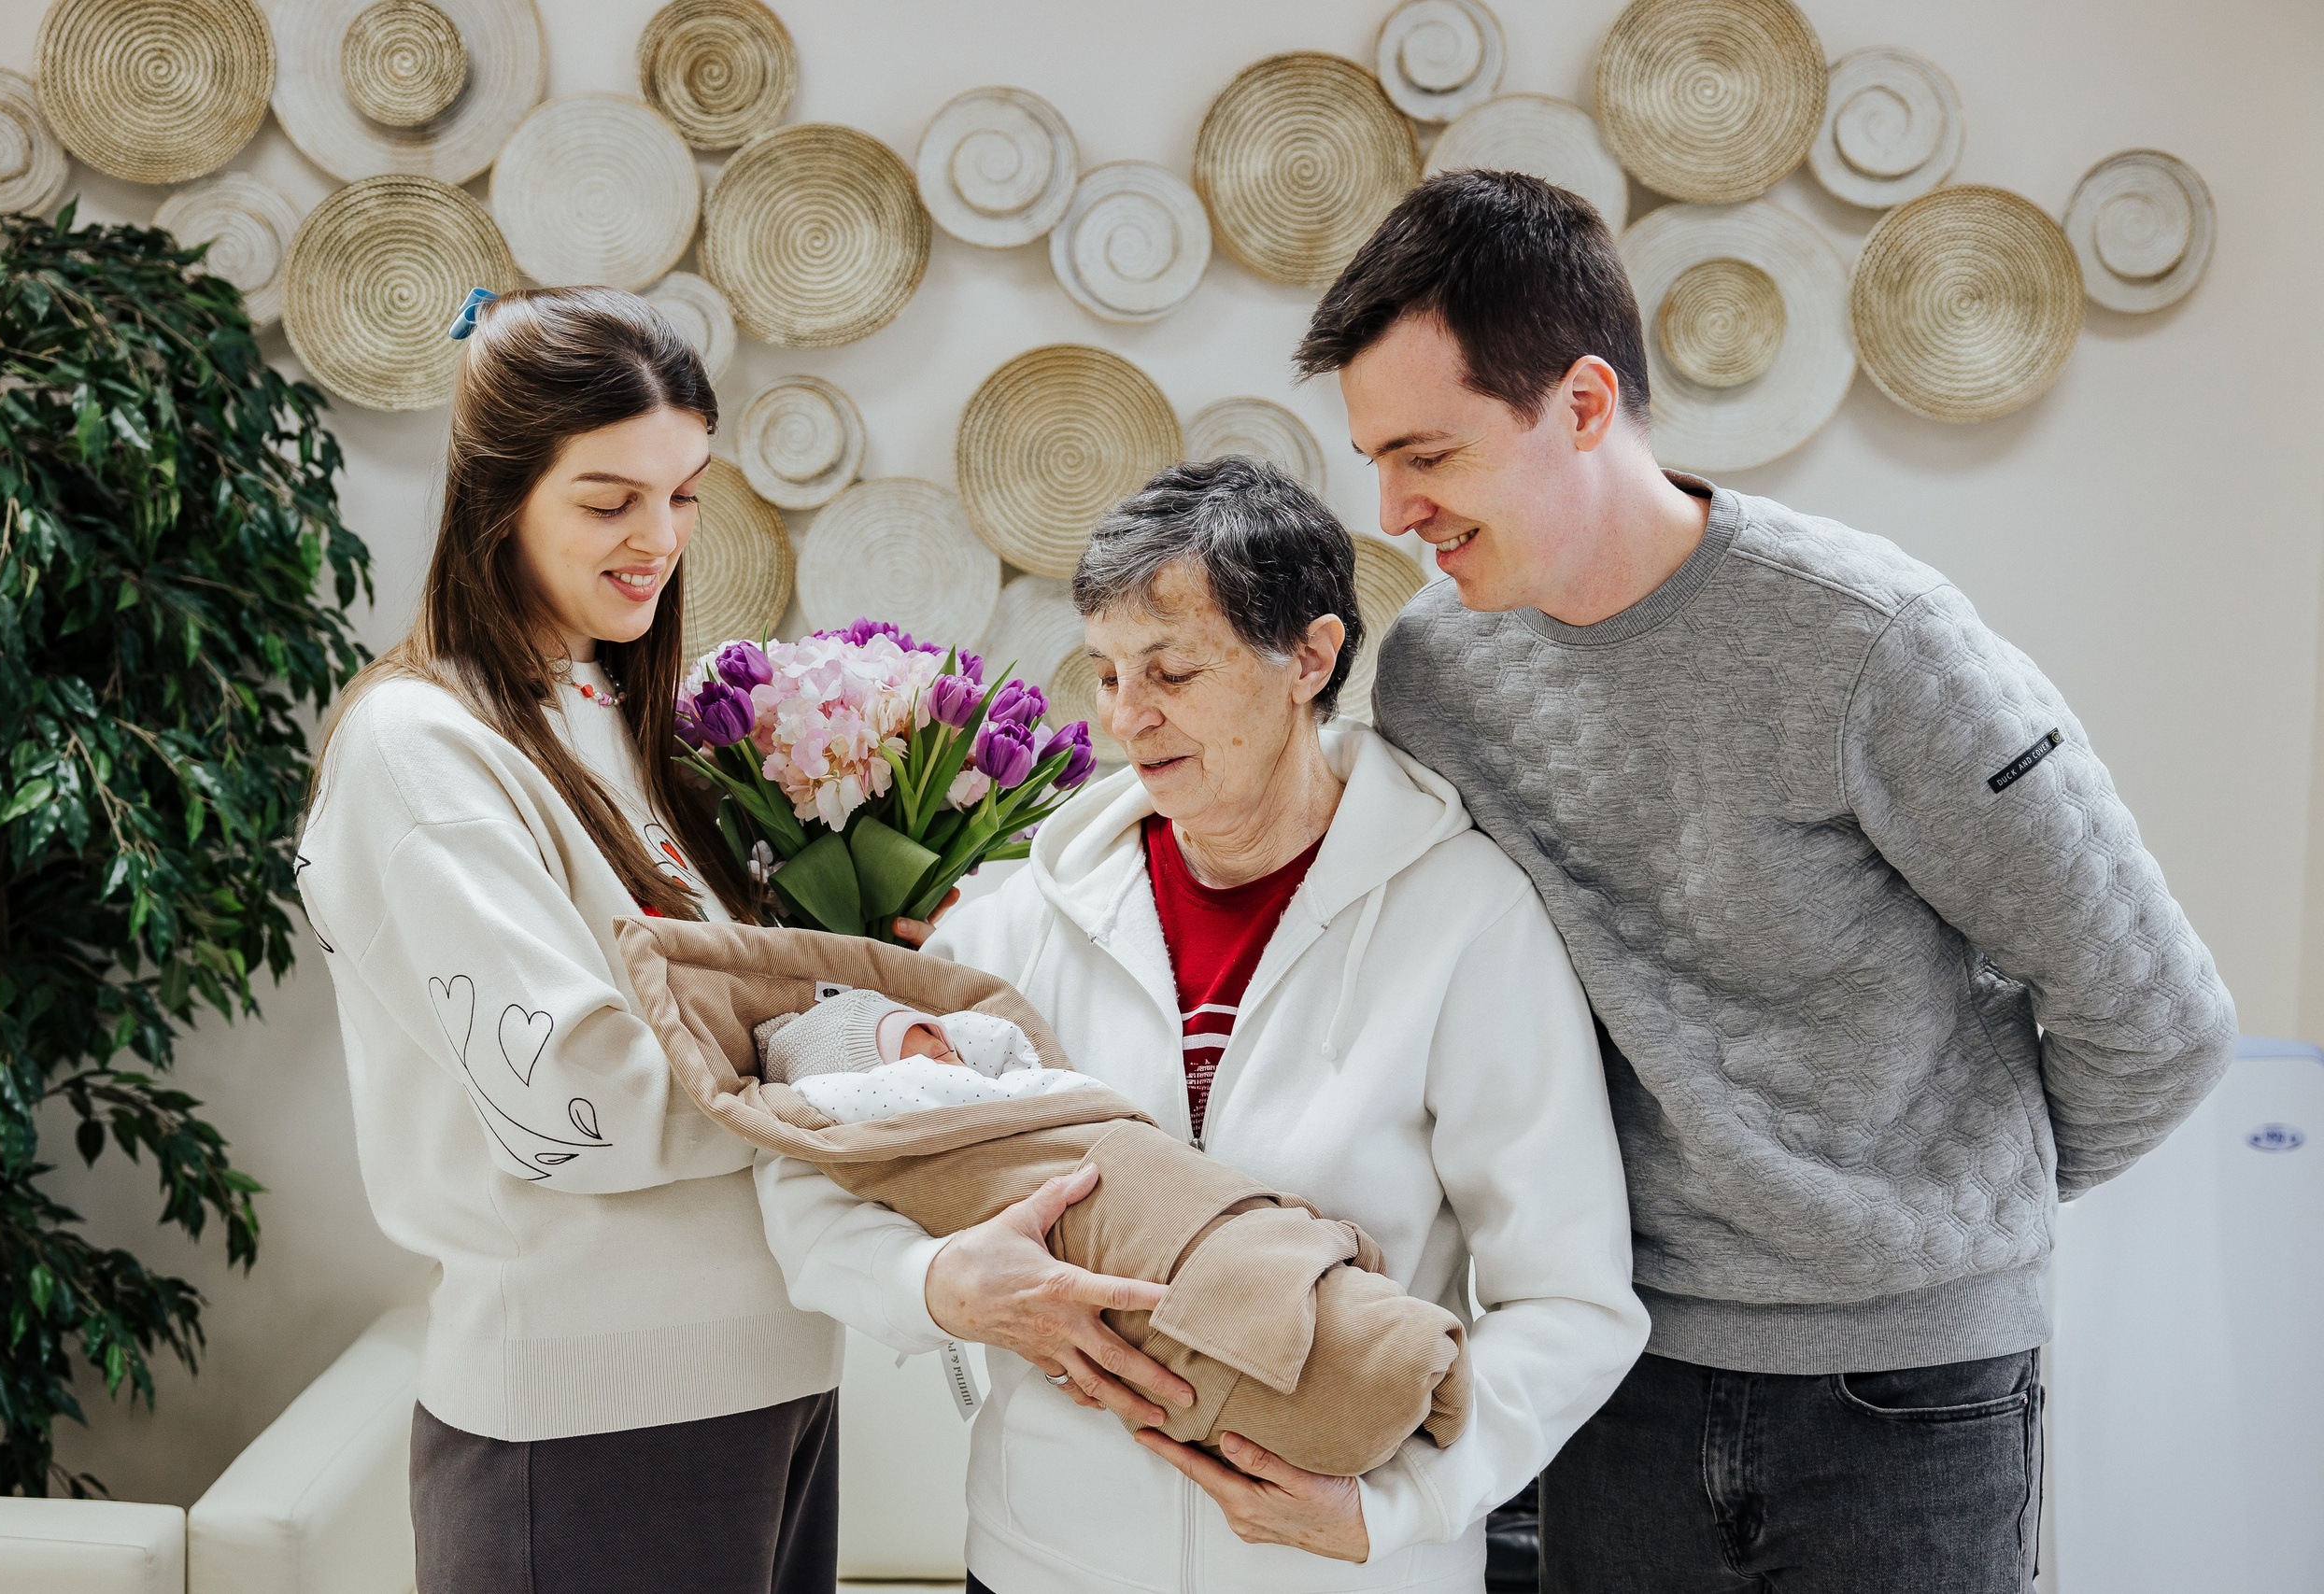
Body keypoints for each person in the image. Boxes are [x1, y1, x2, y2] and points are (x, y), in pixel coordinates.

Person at [1295, 170, 2240, 1593]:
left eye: (1425, 452)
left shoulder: (1873, 642)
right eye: (1372, 459)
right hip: (1612, 1365)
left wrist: (1936, 1216)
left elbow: (2157, 1018)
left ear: (1586, 403)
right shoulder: (1437, 675)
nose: (1394, 506)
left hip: (1908, 1393)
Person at [753, 455, 1646, 1593]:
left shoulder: (1467, 922)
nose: (1128, 718)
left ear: (1308, 660)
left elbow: (1570, 1299)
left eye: (1171, 670)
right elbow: (813, 1165)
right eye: (1106, 673)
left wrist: (1395, 1509)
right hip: (1040, 1567)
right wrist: (936, 1287)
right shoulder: (1020, 917)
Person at [298, 287, 846, 1593]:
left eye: (685, 493)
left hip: (778, 1379)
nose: (657, 540)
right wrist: (853, 1061)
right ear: (499, 497)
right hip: (590, 1415)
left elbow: (722, 1020)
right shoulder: (420, 747)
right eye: (610, 500)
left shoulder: (612, 706)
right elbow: (577, 1092)